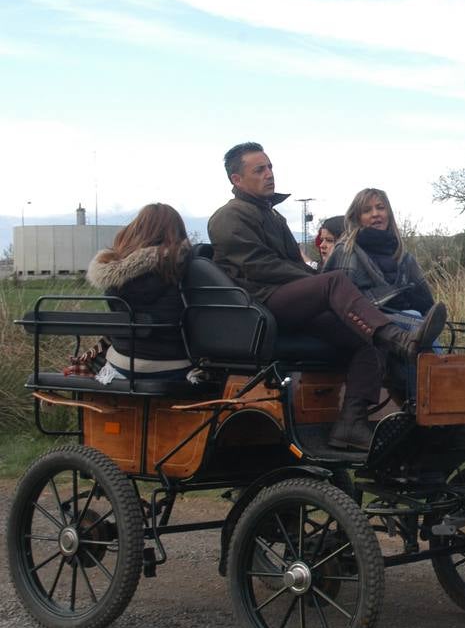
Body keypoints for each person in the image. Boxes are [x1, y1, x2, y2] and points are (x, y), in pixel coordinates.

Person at [208, 142, 446, 449]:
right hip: (259, 302)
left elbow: (290, 264)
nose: (269, 174)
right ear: (237, 180)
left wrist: (315, 282)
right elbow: (258, 266)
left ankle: (350, 424)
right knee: (333, 283)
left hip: (284, 298)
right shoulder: (229, 216)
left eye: (270, 167)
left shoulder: (272, 216)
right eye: (259, 170)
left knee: (366, 338)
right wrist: (316, 280)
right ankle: (399, 339)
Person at [85, 203, 193, 380]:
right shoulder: (186, 266)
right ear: (176, 231)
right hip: (172, 364)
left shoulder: (114, 273)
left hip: (120, 364)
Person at [323, 189, 435, 315]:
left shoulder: (404, 257)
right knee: (413, 316)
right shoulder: (346, 251)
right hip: (366, 324)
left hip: (411, 320)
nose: (375, 214)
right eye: (367, 210)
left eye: (380, 208)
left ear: (388, 214)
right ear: (358, 218)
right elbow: (338, 302)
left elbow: (427, 303)